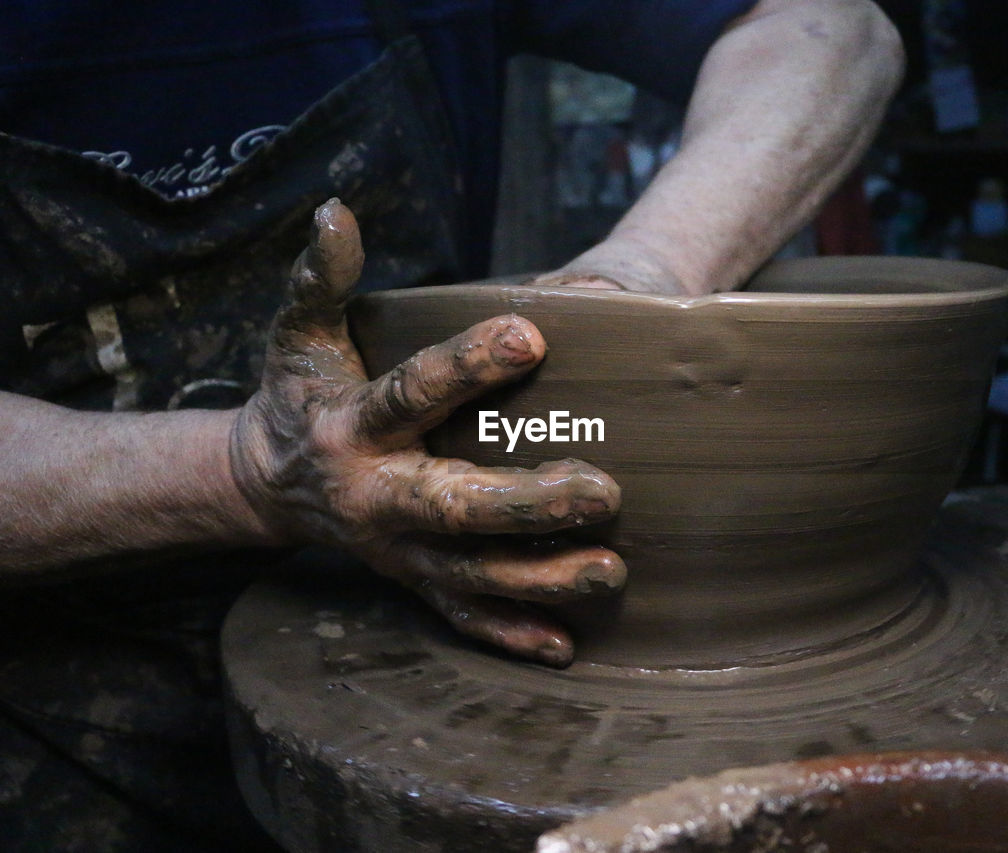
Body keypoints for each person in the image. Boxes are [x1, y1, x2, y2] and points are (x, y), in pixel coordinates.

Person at [0, 1, 904, 848]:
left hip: (431, 639)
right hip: (59, 703)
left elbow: (832, 28)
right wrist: (244, 469)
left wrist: (647, 262)